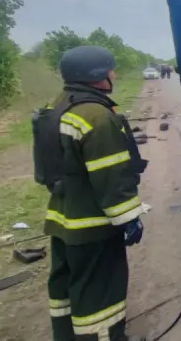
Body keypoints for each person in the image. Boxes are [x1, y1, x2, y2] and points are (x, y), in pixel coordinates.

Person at [34, 45, 147, 341]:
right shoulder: (96, 116)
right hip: (92, 224)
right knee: (100, 293)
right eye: (111, 70)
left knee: (66, 288)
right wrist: (129, 218)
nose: (115, 75)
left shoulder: (59, 106)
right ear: (96, 75)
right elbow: (111, 174)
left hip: (63, 217)